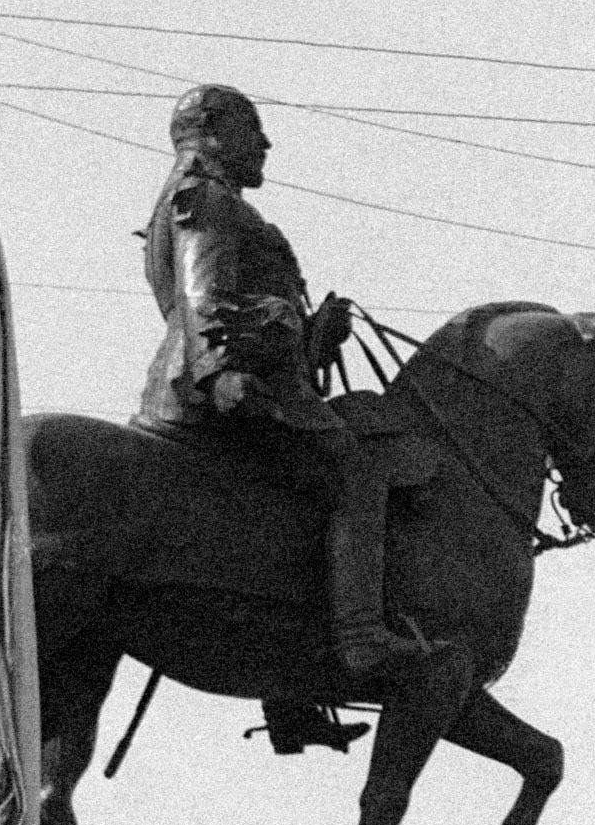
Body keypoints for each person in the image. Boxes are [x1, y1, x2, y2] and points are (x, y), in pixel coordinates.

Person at [134, 83, 418, 739]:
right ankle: (361, 640)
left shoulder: (199, 197)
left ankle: (290, 700)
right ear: (210, 130)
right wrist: (222, 372)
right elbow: (203, 293)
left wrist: (316, 333)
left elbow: (242, 305)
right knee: (356, 468)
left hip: (242, 376)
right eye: (253, 128)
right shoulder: (205, 198)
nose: (266, 143)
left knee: (280, 510)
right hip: (228, 387)